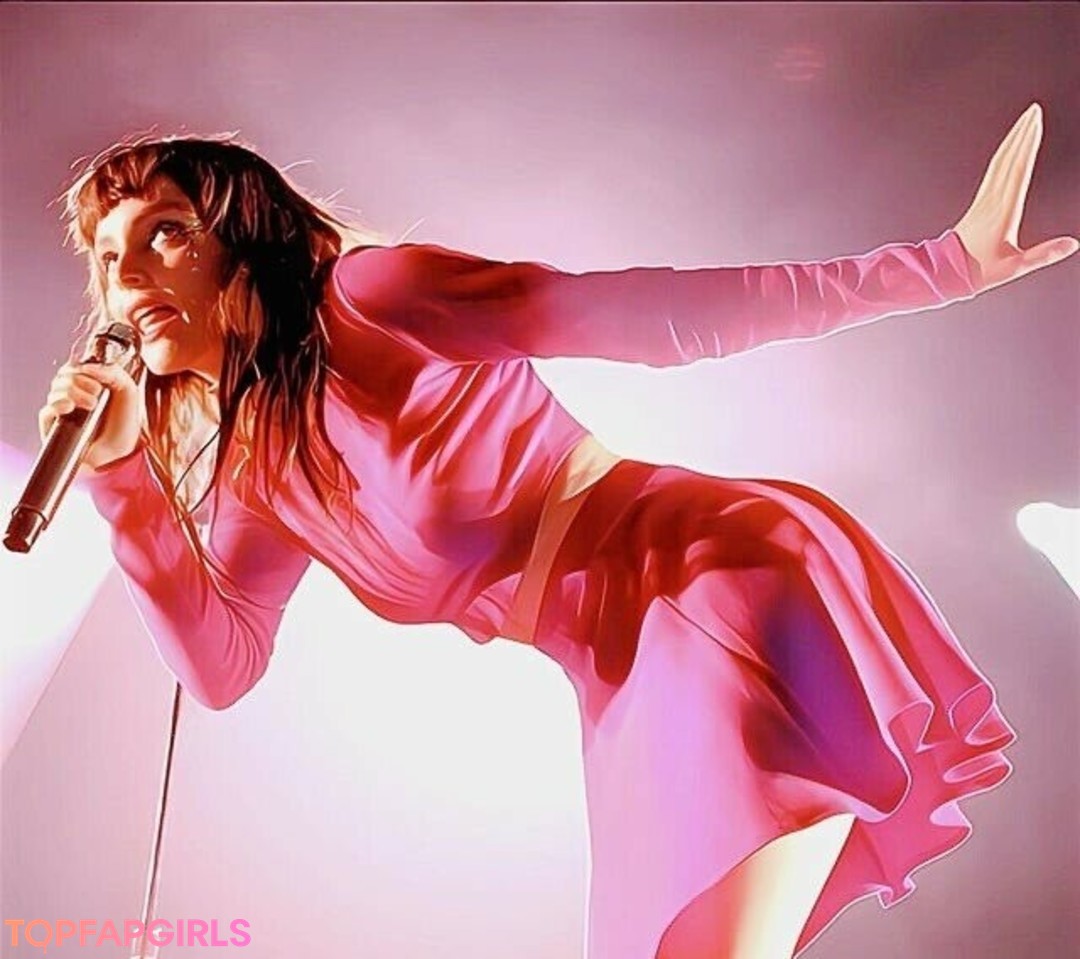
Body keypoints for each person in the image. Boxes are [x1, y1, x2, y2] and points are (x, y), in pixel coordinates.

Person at [39, 103, 1075, 959]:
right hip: (617, 674)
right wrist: (123, 479)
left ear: (243, 233)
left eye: (164, 231)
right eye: (108, 254)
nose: (129, 274)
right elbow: (222, 667)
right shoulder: (263, 471)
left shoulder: (371, 295)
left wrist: (938, 266)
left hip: (706, 587)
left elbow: (646, 315)